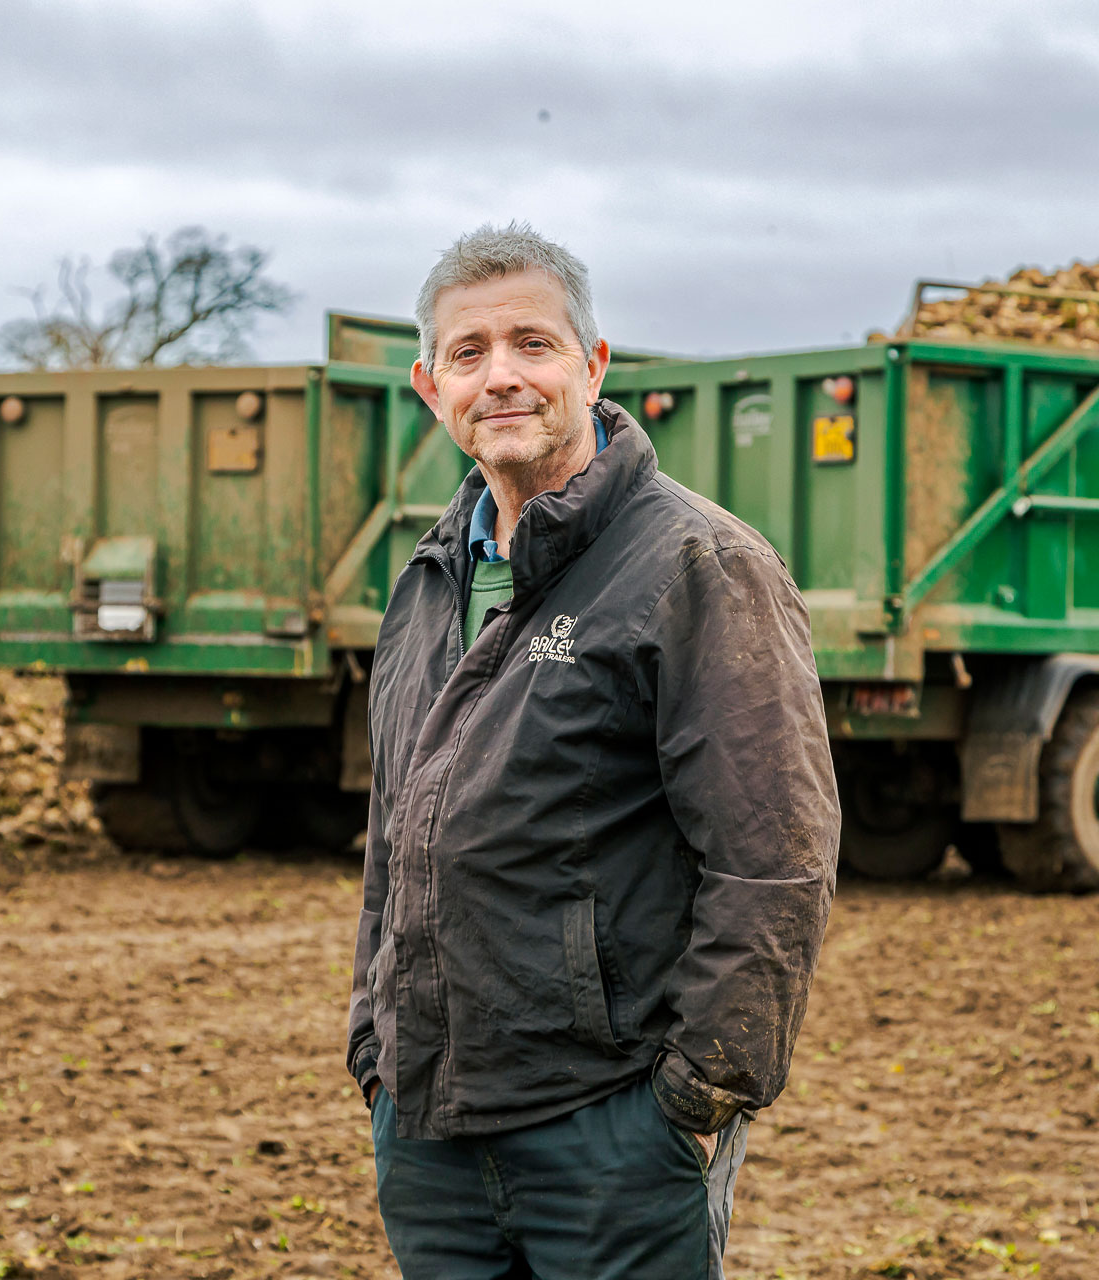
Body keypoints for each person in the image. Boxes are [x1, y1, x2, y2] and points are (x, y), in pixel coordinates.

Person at [346, 223, 840, 1278]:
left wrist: (694, 1092)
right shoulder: (426, 580)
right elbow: (396, 838)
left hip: (604, 1134)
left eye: (533, 342)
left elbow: (775, 858)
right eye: (470, 353)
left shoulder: (695, 563)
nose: (503, 376)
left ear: (594, 364)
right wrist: (374, 1054)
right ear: (433, 388)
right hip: (429, 1136)